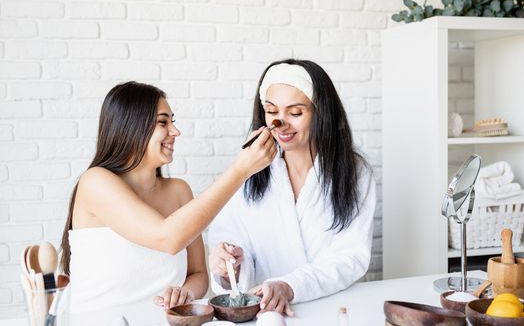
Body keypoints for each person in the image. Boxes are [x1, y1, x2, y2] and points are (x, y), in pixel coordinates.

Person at [59, 81, 277, 313]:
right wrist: (240, 170)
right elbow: (168, 238)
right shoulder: (95, 182)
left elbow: (198, 274)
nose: (175, 131)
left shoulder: (179, 191)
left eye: (172, 121)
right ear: (131, 126)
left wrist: (187, 292)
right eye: (163, 122)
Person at [207, 59, 376, 316]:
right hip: (268, 314)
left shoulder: (354, 173)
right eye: (272, 111)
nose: (280, 123)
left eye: (295, 113)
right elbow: (230, 237)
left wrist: (290, 286)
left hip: (332, 309)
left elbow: (350, 257)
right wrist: (231, 265)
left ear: (322, 113)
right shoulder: (249, 170)